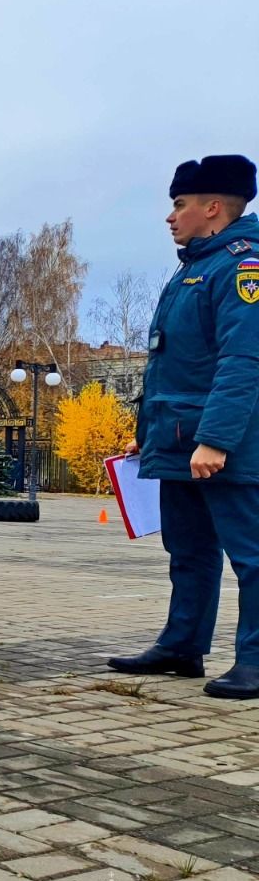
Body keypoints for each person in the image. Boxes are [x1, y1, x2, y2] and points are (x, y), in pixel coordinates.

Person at [109, 154, 259, 699]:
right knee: (188, 551)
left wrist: (216, 439)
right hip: (176, 441)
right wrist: (147, 431)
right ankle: (181, 646)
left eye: (180, 205)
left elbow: (243, 361)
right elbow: (173, 363)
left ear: (212, 206)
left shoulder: (243, 267)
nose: (170, 217)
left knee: (251, 556)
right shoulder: (194, 266)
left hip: (226, 444)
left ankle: (255, 660)